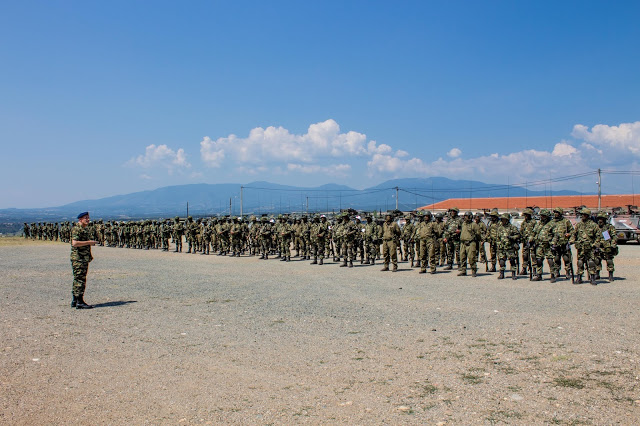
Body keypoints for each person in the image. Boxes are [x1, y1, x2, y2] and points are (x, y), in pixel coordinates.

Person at [71, 212, 97, 309]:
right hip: (79, 258)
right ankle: (79, 301)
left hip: (82, 257)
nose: (88, 219)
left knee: (78, 278)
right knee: (80, 279)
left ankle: (75, 300)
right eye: (86, 218)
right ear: (80, 219)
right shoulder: (77, 229)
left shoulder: (83, 229)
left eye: (88, 218)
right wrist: (89, 242)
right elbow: (75, 243)